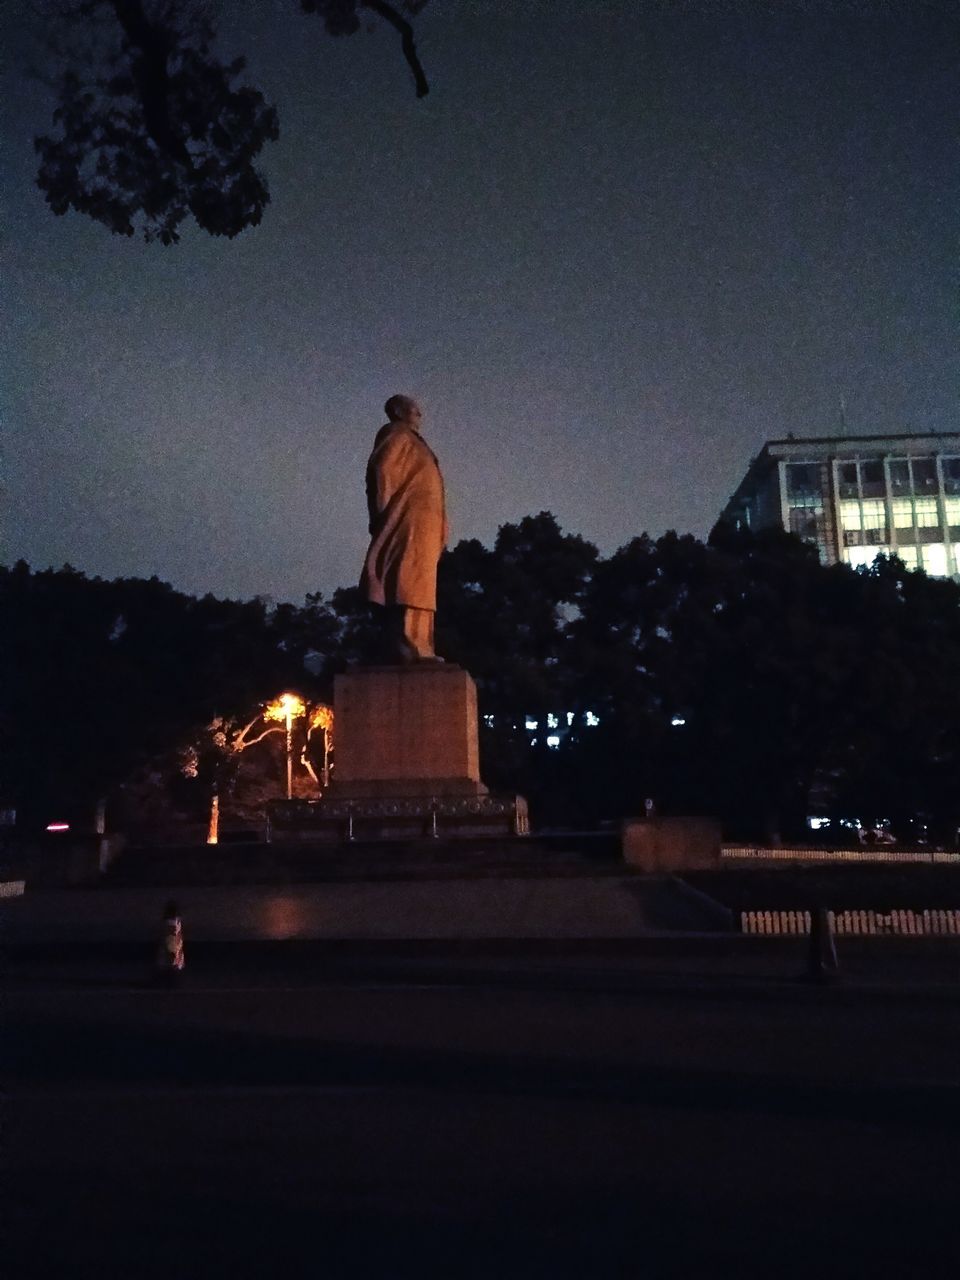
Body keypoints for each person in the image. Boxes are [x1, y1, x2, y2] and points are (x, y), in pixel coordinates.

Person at [360, 395, 448, 662]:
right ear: (399, 411)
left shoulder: (417, 442)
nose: (420, 414)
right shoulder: (395, 433)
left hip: (426, 519)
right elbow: (381, 470)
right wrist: (382, 513)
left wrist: (443, 522)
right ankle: (406, 644)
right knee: (406, 578)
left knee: (422, 580)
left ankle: (422, 642)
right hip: (405, 515)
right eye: (414, 409)